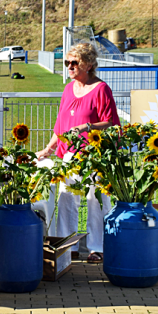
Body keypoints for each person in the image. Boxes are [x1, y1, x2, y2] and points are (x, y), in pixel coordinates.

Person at [36, 43, 121, 263]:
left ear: (89, 64)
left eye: (75, 62)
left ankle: (97, 248)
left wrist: (88, 127)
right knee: (66, 199)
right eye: (67, 62)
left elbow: (110, 122)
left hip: (95, 154)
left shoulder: (101, 89)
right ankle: (68, 246)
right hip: (69, 156)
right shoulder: (68, 89)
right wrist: (48, 148)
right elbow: (60, 125)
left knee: (96, 199)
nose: (70, 66)